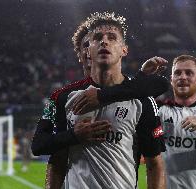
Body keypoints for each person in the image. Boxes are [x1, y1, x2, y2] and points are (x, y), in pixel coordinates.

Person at [31, 17, 169, 188]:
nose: (104, 41)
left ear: (124, 50)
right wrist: (74, 136)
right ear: (88, 51)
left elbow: (154, 163)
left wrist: (102, 96)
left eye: (112, 37)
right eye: (97, 38)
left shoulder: (142, 101)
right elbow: (55, 158)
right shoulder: (64, 97)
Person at [72, 54, 196, 189]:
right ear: (171, 79)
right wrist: (142, 75)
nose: (183, 77)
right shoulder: (156, 109)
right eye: (178, 73)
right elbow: (131, 93)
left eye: (189, 73)